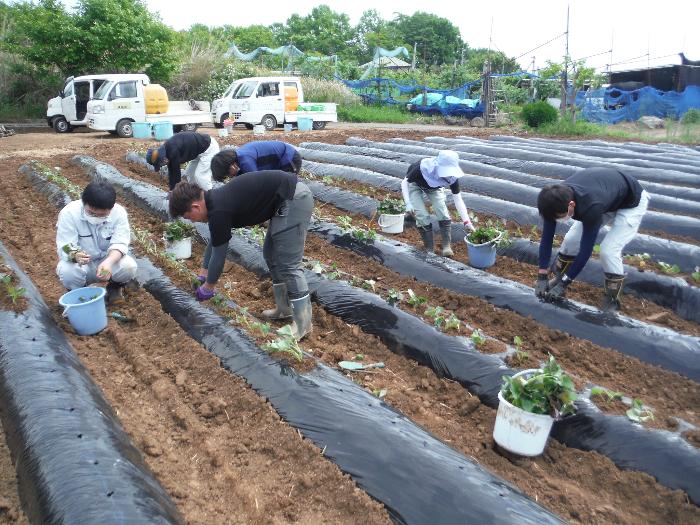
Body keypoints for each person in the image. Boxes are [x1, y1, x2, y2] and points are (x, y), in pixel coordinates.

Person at [168, 170, 314, 339]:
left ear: (195, 207)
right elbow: (215, 242)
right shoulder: (213, 203)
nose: (192, 221)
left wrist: (208, 287)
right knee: (271, 254)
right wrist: (203, 272)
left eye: (189, 217)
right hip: (282, 199)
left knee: (288, 263)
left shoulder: (218, 210)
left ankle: (304, 324)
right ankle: (285, 309)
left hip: (293, 197)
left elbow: (219, 254)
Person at [535, 167, 649, 311]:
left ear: (571, 205)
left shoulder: (591, 207)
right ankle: (558, 278)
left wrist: (566, 282)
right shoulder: (553, 201)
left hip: (631, 202)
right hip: (607, 195)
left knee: (608, 251)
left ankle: (612, 299)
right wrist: (542, 275)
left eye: (559, 215)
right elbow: (546, 238)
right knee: (570, 241)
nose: (556, 219)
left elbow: (585, 251)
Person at [56, 181, 137, 304]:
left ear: (111, 208)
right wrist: (76, 255)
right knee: (67, 271)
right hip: (83, 263)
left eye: (102, 215)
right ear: (84, 203)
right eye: (91, 213)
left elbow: (120, 243)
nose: (96, 217)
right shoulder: (69, 213)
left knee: (129, 266)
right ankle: (79, 294)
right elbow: (66, 244)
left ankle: (114, 288)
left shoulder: (119, 213)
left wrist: (108, 263)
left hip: (106, 261)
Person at [400, 150, 475, 256]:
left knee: (442, 211)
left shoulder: (452, 178)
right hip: (416, 184)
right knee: (422, 215)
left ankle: (446, 246)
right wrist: (408, 203)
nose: (448, 175)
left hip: (435, 188)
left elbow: (458, 199)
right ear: (438, 167)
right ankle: (429, 248)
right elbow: (404, 182)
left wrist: (467, 222)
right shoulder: (421, 168)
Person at [146, 131, 219, 191]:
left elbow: (175, 175)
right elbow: (172, 172)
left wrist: (173, 193)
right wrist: (172, 191)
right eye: (161, 164)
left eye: (161, 162)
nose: (163, 164)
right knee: (190, 174)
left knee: (200, 176)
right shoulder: (167, 151)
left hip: (209, 148)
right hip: (199, 152)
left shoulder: (172, 151)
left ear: (162, 157)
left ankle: (211, 198)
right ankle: (197, 194)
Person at [210, 141, 301, 182]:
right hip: (280, 162)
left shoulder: (245, 160)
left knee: (284, 188)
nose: (230, 176)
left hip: (290, 159)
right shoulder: (240, 159)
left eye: (228, 174)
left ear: (231, 166)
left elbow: (257, 183)